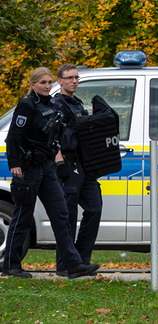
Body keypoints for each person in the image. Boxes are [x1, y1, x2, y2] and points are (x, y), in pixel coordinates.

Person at [1, 67, 100, 278]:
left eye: (48, 83)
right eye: (42, 83)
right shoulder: (27, 105)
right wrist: (14, 163)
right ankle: (11, 265)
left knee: (61, 214)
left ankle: (72, 264)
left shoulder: (50, 105)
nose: (46, 86)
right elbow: (13, 138)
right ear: (33, 85)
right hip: (28, 170)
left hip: (47, 169)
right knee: (23, 217)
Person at [52, 63, 103, 277]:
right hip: (68, 164)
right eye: (70, 78)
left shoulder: (78, 105)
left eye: (76, 77)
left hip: (84, 166)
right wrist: (59, 162)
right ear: (60, 81)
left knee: (94, 208)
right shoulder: (56, 106)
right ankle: (65, 265)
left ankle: (81, 261)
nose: (74, 81)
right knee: (68, 216)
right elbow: (52, 138)